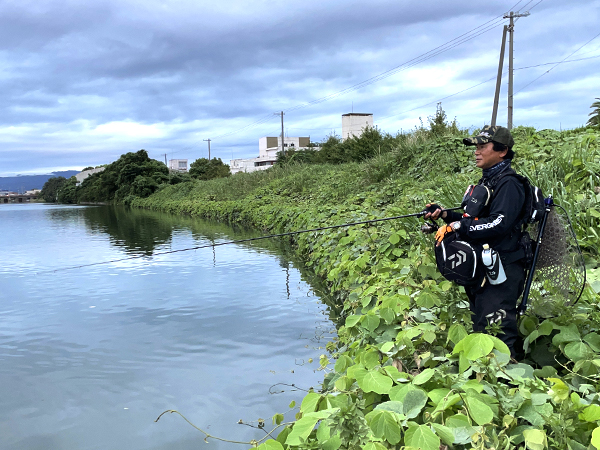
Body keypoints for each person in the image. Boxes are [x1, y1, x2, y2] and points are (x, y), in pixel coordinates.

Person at [425, 125, 526, 359]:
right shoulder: (488, 180)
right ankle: (485, 380)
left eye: (482, 146)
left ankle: (507, 381)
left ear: (502, 151)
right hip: (483, 269)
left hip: (504, 268)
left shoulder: (509, 184)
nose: (476, 152)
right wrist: (445, 216)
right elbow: (477, 220)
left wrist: (458, 226)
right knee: (482, 325)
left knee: (498, 331)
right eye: (476, 147)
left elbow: (499, 223)